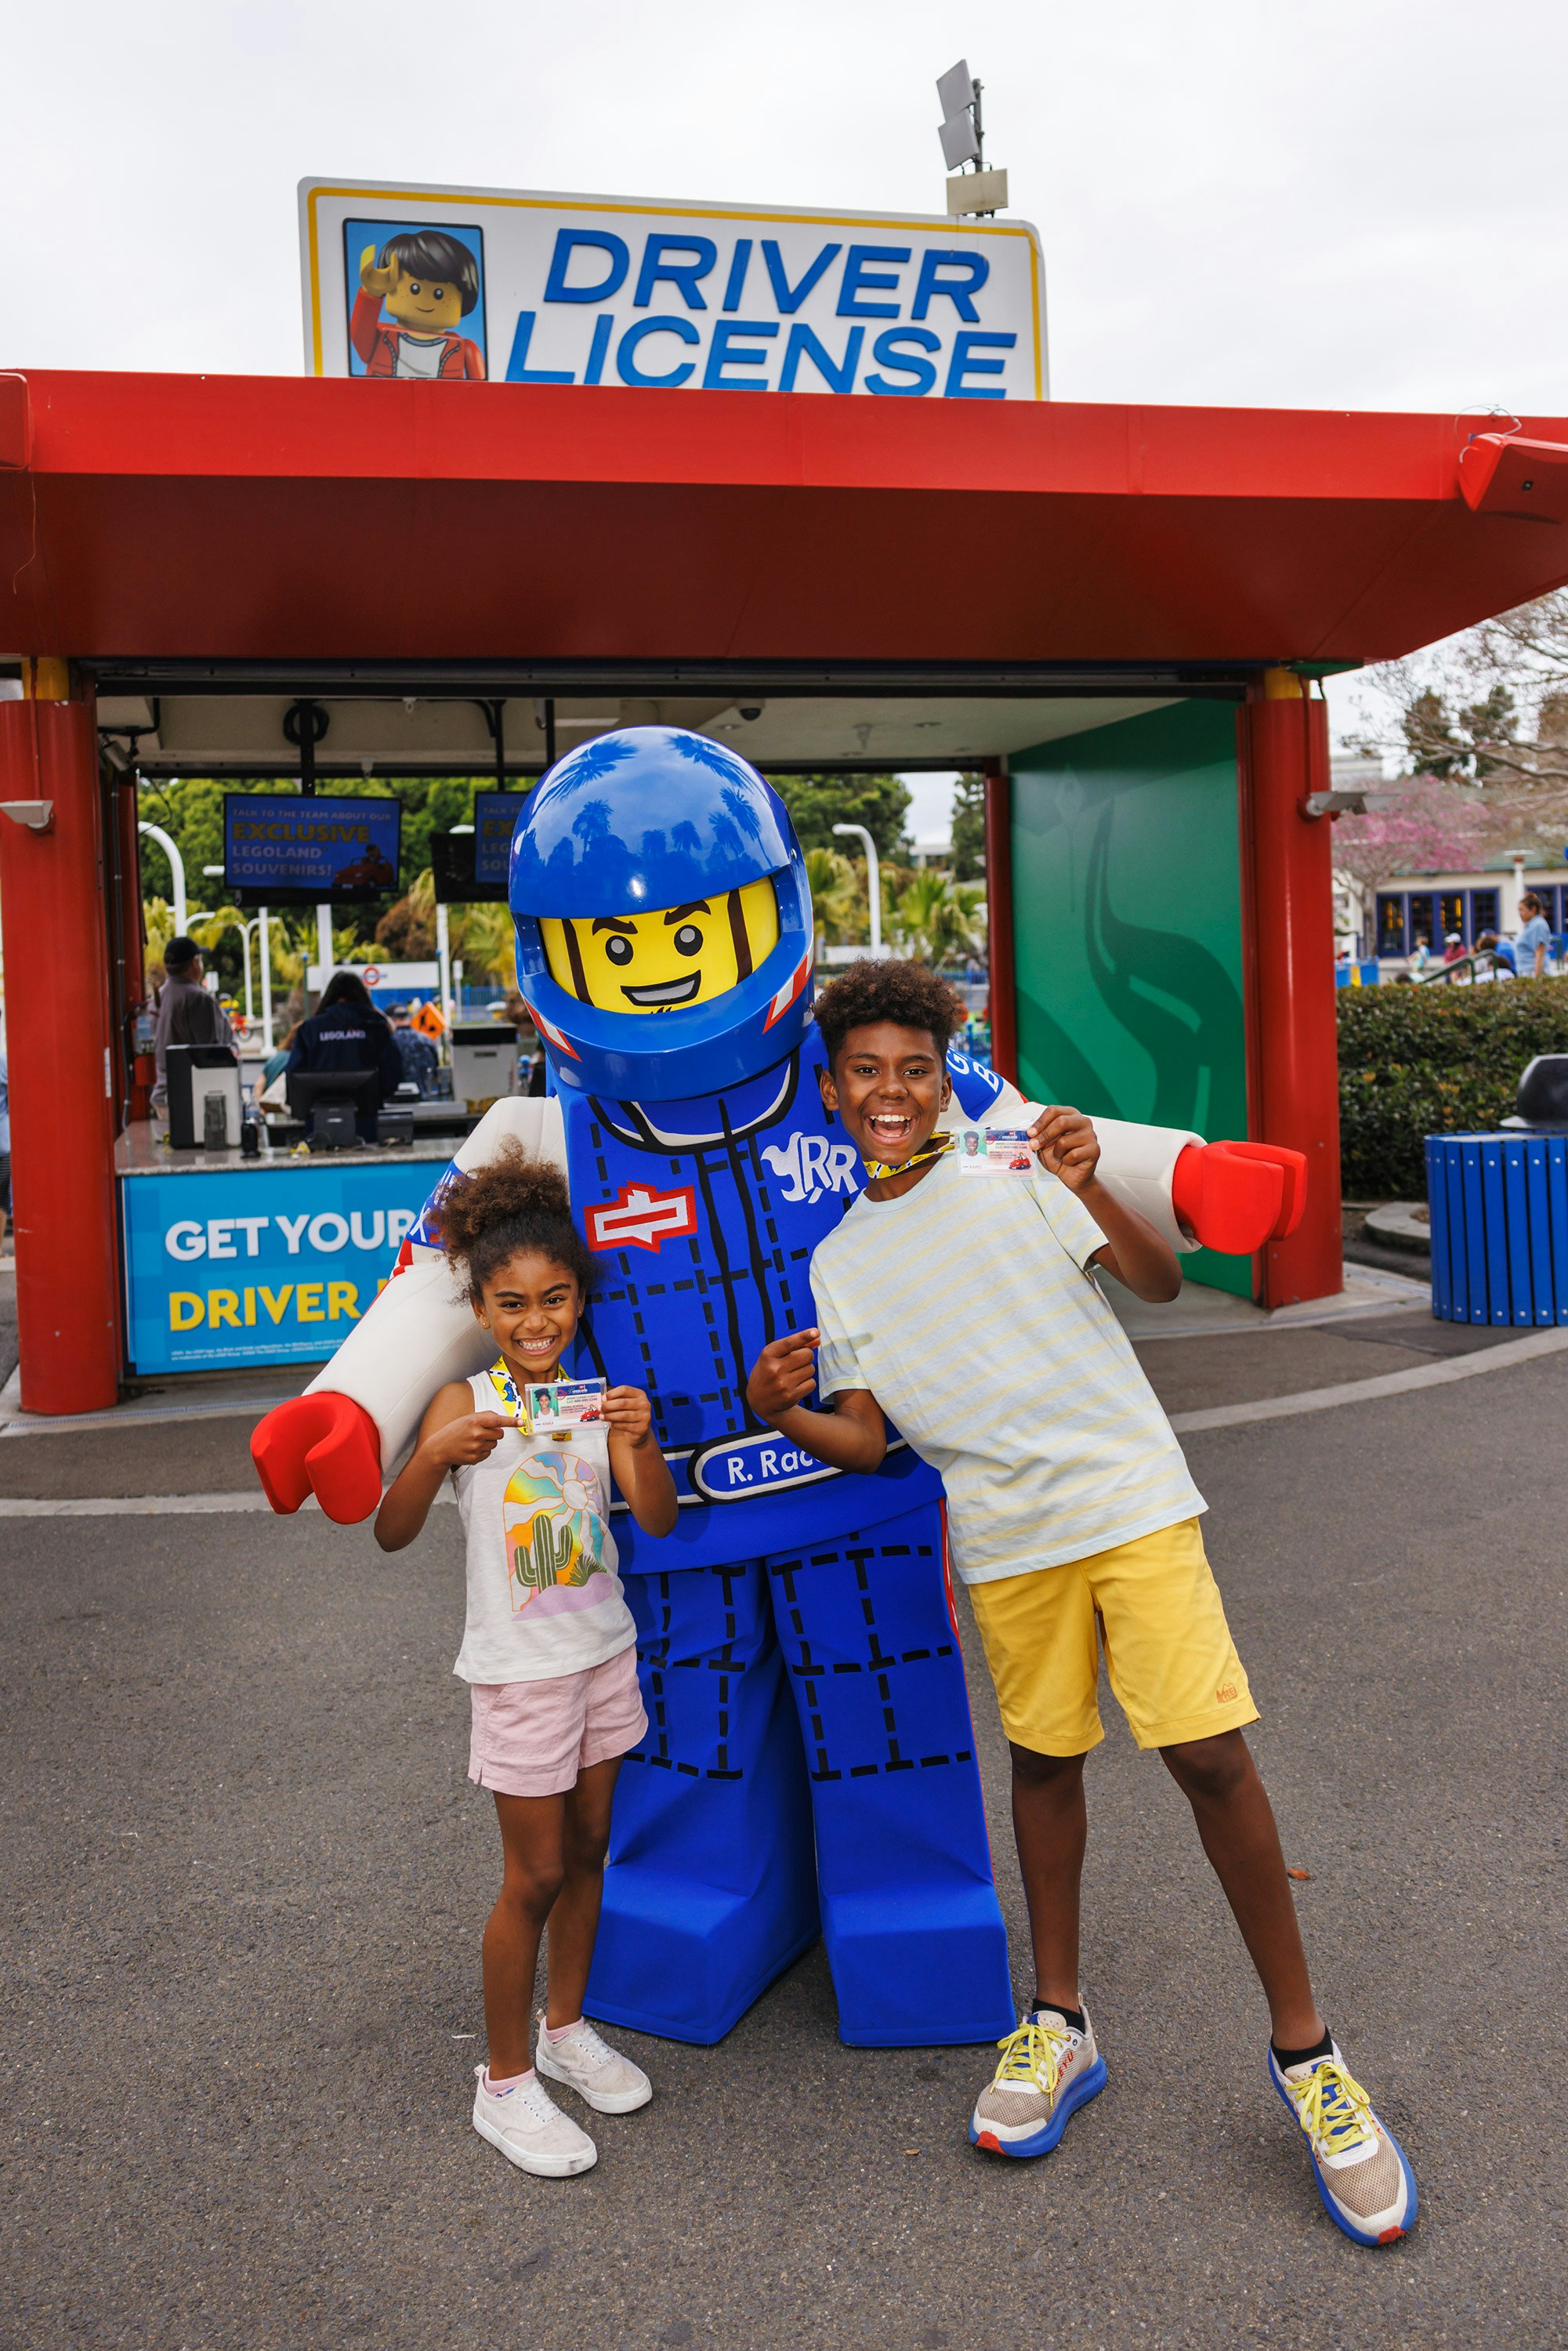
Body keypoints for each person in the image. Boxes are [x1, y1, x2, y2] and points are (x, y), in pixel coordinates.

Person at [744, 959, 1417, 2249]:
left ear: (944, 1077)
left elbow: (1159, 1285)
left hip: (1129, 1505)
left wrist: (1089, 1179)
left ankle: (1310, 2059)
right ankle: (1059, 2023)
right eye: (867, 1072)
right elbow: (877, 1442)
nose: (894, 1090)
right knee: (1046, 1765)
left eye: (915, 1067)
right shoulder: (840, 1265)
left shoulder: (1013, 1168)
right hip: (1004, 1541)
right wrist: (786, 1412)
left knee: (1209, 1760)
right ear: (831, 1095)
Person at [374, 1146, 676, 2178]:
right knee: (533, 1873)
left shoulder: (598, 1403)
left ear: (580, 1302)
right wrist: (429, 1457)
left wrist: (642, 1441)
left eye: (555, 1300)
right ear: (483, 1307)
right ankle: (502, 2086)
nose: (536, 1320)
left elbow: (660, 1522)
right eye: (512, 1303)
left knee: (592, 1847)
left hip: (605, 1652)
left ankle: (565, 2027)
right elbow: (390, 1533)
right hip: (518, 1672)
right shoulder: (462, 1407)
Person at [351, 228, 486, 381]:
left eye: (438, 294)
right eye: (414, 289)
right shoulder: (382, 338)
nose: (427, 301)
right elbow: (359, 336)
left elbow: (482, 392)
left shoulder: (466, 350)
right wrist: (372, 291)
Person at [284, 970, 403, 1141]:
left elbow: (293, 1077)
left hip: (318, 1128)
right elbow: (393, 1072)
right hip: (366, 1124)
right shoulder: (375, 1026)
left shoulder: (310, 1029)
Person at [151, 937, 234, 1108]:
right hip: (190, 1100)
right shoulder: (198, 999)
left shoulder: (157, 997)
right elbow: (211, 1052)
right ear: (195, 963)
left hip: (161, 1096)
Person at [388, 1002, 440, 1096]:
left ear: (390, 1020)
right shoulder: (426, 1040)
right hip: (424, 1098)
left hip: (392, 1099)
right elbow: (436, 1072)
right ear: (408, 1019)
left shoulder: (387, 1041)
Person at [1514, 892, 1553, 979]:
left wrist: (1537, 980)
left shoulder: (1539, 925)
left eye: (1522, 910)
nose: (1520, 913)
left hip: (1533, 974)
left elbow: (1539, 954)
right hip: (1526, 973)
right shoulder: (1531, 926)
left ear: (1533, 909)